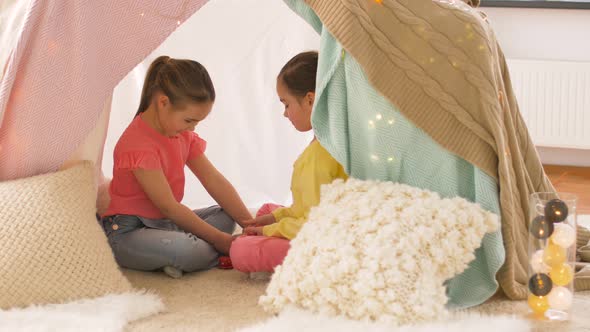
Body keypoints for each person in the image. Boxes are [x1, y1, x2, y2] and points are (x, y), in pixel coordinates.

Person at [101, 56, 252, 278]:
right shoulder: (138, 145)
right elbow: (169, 207)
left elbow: (213, 179)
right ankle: (187, 255)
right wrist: (223, 242)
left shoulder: (182, 135)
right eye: (189, 120)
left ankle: (172, 258)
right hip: (128, 232)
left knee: (226, 215)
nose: (192, 128)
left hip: (166, 224)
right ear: (163, 103)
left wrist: (249, 224)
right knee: (189, 250)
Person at [229, 51, 348, 275]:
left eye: (286, 104)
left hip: (328, 240)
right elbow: (305, 207)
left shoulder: (321, 157)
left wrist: (270, 230)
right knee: (265, 211)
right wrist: (272, 219)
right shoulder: (327, 143)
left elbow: (316, 224)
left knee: (241, 250)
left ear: (310, 100)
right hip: (318, 223)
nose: (285, 113)